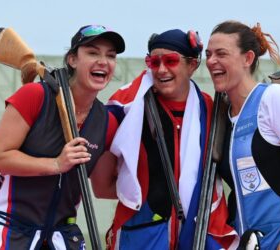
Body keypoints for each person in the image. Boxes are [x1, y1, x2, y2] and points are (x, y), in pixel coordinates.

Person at [0, 24, 125, 249]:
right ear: (73, 60)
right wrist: (56, 164)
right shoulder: (34, 95)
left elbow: (102, 188)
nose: (104, 61)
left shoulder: (107, 121)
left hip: (62, 237)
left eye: (111, 55)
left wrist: (151, 191)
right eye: (93, 52)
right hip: (8, 230)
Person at [94, 29, 238, 249]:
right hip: (142, 234)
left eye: (170, 61)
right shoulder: (128, 107)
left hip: (202, 233)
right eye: (154, 61)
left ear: (192, 65)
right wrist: (142, 190)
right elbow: (101, 187)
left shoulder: (212, 110)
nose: (161, 69)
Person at [205, 20, 280, 249]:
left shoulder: (274, 97)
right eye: (208, 54)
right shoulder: (222, 115)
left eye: (221, 54)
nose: (210, 61)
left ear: (248, 59)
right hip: (253, 242)